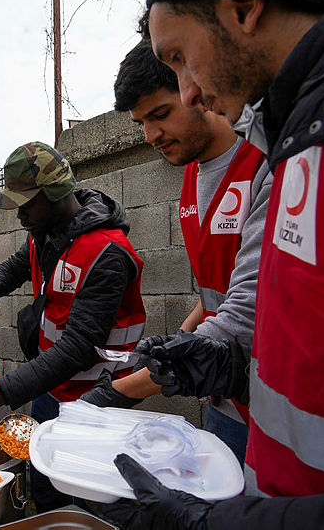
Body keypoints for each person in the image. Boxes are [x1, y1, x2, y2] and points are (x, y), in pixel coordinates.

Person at [88, 0, 324, 528]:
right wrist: (217, 361)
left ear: (245, 7)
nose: (190, 90)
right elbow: (265, 303)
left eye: (181, 57)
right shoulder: (294, 142)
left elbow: (246, 308)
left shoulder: (303, 144)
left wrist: (117, 391)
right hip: (266, 456)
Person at [81, 39, 272, 466]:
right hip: (225, 401)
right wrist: (180, 338)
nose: (151, 136)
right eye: (141, 123)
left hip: (272, 395)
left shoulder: (264, 164)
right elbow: (216, 293)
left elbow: (246, 309)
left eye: (161, 114)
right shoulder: (189, 176)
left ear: (195, 88)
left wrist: (117, 392)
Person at [0, 141, 146, 512]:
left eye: (25, 204)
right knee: (44, 484)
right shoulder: (46, 234)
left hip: (96, 401)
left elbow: (77, 349)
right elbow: (14, 268)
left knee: (84, 497)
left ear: (55, 192)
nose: (19, 215)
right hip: (52, 388)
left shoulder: (106, 253)